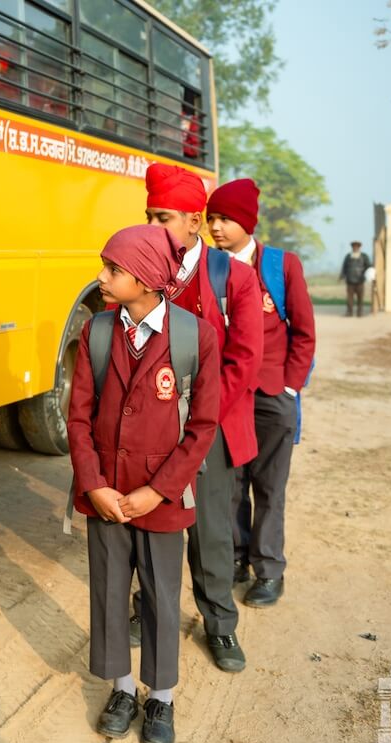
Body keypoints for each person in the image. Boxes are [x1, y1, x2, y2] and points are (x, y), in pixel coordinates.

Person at [67, 225, 220, 743]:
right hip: (106, 493)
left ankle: (162, 698)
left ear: (148, 279)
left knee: (159, 595)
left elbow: (202, 425)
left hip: (162, 495)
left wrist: (161, 490)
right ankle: (122, 688)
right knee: (109, 592)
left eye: (112, 271)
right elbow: (79, 418)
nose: (101, 278)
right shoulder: (98, 332)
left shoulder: (193, 335)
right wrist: (93, 485)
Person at [141, 163, 263, 673]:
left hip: (209, 428)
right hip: (150, 426)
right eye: (148, 215)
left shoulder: (232, 276)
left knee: (211, 531)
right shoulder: (142, 270)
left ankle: (220, 625)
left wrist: (200, 420)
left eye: (162, 216)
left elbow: (245, 359)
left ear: (194, 220)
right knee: (148, 527)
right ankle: (144, 613)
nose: (152, 226)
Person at [206, 178, 316, 608]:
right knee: (230, 483)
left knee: (269, 487)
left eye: (226, 219)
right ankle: (235, 557)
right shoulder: (209, 268)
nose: (215, 227)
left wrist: (289, 386)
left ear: (248, 223)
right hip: (229, 394)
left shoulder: (281, 267)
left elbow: (304, 333)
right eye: (211, 218)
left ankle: (269, 570)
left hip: (272, 395)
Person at [340, 241, 371, 317]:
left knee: (360, 298)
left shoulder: (364, 256)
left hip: (360, 281)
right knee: (349, 298)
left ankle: (359, 312)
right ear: (352, 247)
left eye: (357, 246)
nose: (355, 248)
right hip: (350, 281)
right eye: (354, 246)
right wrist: (342, 276)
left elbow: (369, 267)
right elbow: (344, 267)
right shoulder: (348, 256)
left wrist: (368, 275)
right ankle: (349, 312)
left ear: (359, 247)